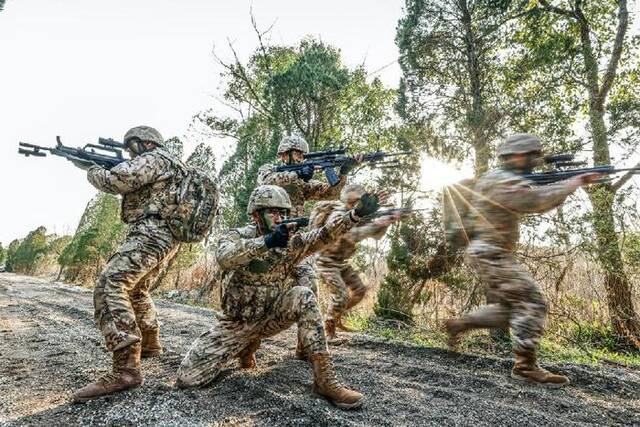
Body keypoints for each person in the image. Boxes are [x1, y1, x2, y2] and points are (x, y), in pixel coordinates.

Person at [176, 184, 382, 409]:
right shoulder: (237, 236)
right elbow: (225, 257)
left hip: (272, 317)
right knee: (188, 379)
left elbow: (324, 234)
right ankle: (246, 346)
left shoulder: (292, 241)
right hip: (237, 325)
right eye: (272, 212)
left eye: (283, 212)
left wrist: (355, 215)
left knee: (303, 295)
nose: (279, 217)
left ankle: (324, 379)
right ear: (256, 215)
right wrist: (267, 242)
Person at [443, 133, 601, 387]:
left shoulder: (505, 178)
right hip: (489, 252)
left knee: (511, 308)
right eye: (529, 156)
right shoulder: (499, 181)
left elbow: (539, 199)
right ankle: (525, 367)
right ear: (514, 155)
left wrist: (565, 185)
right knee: (532, 302)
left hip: (490, 251)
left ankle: (461, 324)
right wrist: (572, 183)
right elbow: (533, 201)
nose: (533, 161)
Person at [73, 126, 183, 402]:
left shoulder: (156, 158)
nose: (127, 153)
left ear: (146, 144)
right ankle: (149, 343)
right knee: (136, 288)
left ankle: (125, 369)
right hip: (167, 235)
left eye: (130, 147)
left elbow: (117, 181)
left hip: (152, 232)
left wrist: (91, 168)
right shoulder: (172, 163)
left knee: (111, 284)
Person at [312, 184, 401, 340]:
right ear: (346, 201)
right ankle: (329, 330)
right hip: (325, 261)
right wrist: (375, 224)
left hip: (341, 262)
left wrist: (386, 222)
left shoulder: (361, 214)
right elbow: (348, 236)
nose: (355, 206)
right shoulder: (337, 213)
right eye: (352, 203)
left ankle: (336, 316)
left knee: (359, 291)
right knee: (341, 294)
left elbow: (377, 236)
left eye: (358, 202)